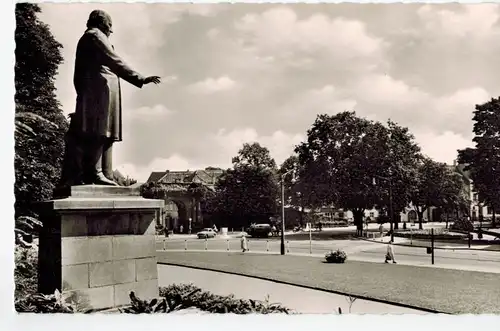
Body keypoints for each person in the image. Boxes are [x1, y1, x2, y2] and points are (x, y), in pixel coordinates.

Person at [59, 9, 161, 187]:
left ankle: (105, 172)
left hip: (102, 88)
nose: (110, 30)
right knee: (99, 130)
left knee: (106, 133)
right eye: (109, 24)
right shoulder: (95, 36)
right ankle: (95, 173)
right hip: (99, 89)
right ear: (100, 22)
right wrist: (140, 78)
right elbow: (114, 60)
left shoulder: (95, 36)